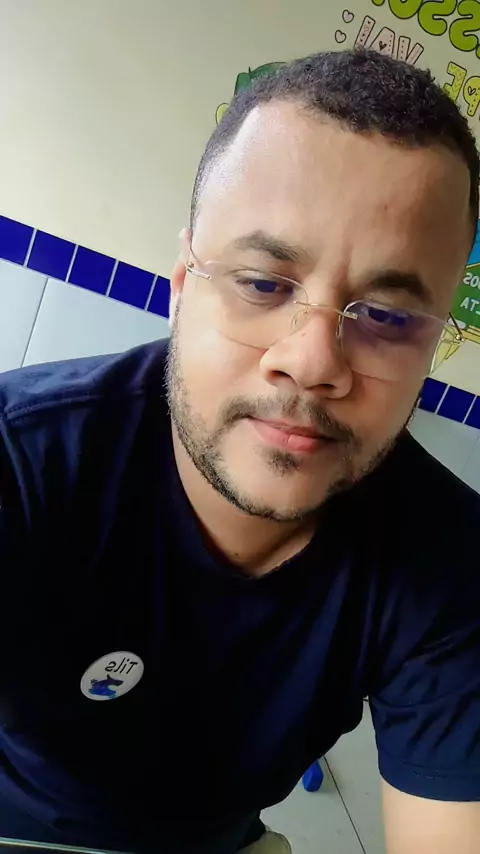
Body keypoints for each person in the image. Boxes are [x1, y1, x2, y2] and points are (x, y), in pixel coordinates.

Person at [0, 48, 479, 854]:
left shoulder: (453, 566)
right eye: (263, 283)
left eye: (389, 317)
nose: (315, 361)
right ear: (183, 284)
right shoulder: (24, 461)